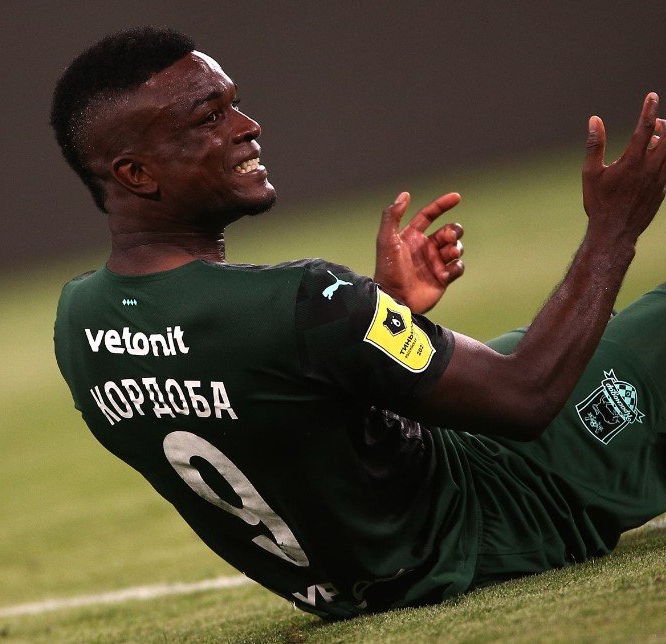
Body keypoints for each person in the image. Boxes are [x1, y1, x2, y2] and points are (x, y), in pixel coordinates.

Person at [51, 27, 666, 618]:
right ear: (136, 173)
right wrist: (614, 227)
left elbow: (285, 418)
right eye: (209, 117)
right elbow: (524, 397)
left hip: (353, 584)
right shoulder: (304, 301)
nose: (248, 127)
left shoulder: (78, 322)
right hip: (500, 517)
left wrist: (383, 311)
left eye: (235, 105)